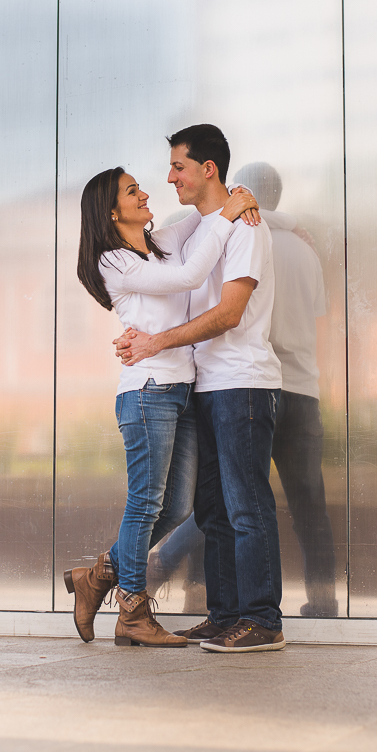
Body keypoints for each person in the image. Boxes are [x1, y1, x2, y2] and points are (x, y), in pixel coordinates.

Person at [64, 166, 259, 647]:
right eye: (133, 192)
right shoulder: (115, 260)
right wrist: (229, 214)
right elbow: (191, 275)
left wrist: (239, 195)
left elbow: (205, 216)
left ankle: (97, 577)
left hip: (182, 389)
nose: (146, 192)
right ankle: (132, 611)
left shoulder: (161, 242)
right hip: (148, 391)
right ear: (112, 212)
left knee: (175, 507)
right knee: (146, 503)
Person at [114, 124, 285, 653]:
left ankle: (261, 620)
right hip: (206, 386)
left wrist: (155, 343)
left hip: (243, 383)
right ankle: (225, 613)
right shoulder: (198, 228)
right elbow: (174, 267)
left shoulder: (247, 230)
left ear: (208, 169)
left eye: (178, 167)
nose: (169, 178)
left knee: (246, 505)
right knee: (211, 511)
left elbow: (229, 313)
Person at [148, 162, 339, 618]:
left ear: (246, 192)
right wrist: (294, 225)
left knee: (236, 499)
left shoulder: (243, 231)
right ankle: (324, 598)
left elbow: (181, 234)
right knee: (307, 502)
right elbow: (317, 318)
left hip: (251, 385)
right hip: (301, 388)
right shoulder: (304, 249)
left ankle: (202, 587)